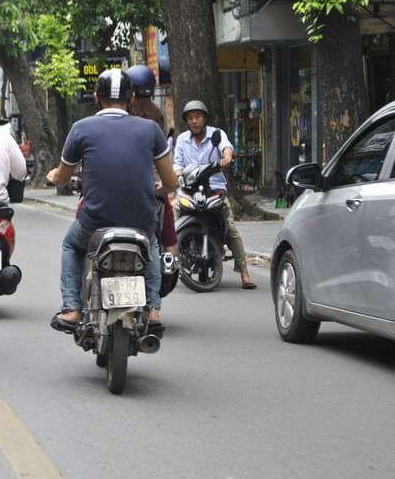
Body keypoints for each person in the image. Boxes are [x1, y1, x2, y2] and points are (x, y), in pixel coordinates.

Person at [48, 69, 177, 332]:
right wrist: (161, 186)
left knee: (71, 245)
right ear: (131, 99)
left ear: (96, 98)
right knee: (151, 244)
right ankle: (152, 310)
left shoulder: (80, 128)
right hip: (141, 220)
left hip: (95, 221)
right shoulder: (151, 129)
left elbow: (62, 178)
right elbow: (171, 182)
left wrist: (52, 175)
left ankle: (72, 308)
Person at [173, 100, 257, 289]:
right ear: (186, 121)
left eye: (198, 117)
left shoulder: (216, 135)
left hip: (215, 188)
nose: (195, 121)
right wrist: (177, 173)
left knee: (231, 228)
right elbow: (177, 164)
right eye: (191, 118)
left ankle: (244, 271)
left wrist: (227, 158)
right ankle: (169, 264)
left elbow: (227, 148)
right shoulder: (182, 140)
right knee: (171, 219)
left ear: (205, 119)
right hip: (189, 189)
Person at [126, 64, 177, 257]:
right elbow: (161, 158)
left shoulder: (124, 117)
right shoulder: (157, 118)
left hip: (126, 181)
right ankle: (171, 259)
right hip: (152, 183)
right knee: (167, 215)